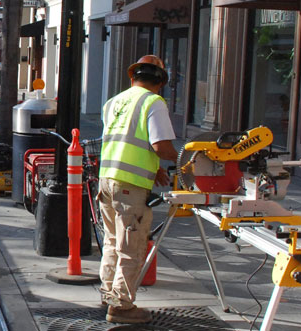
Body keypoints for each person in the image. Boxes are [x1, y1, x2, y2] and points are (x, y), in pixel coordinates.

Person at [97, 55, 178, 324]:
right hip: (130, 187)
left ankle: (108, 295)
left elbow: (124, 139)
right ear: (161, 82)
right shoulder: (153, 102)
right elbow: (160, 146)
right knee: (131, 247)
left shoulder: (114, 102)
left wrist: (153, 168)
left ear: (132, 78)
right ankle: (121, 306)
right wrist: (185, 161)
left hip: (107, 180)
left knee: (112, 242)